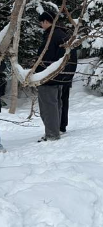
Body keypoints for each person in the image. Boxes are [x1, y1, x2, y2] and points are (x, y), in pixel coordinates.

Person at [36, 11, 71, 142]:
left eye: (41, 22)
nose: (41, 25)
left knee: (48, 106)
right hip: (60, 76)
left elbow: (46, 57)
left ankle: (52, 134)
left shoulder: (51, 35)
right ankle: (55, 130)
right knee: (56, 105)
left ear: (46, 21)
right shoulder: (62, 34)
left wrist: (38, 73)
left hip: (49, 76)